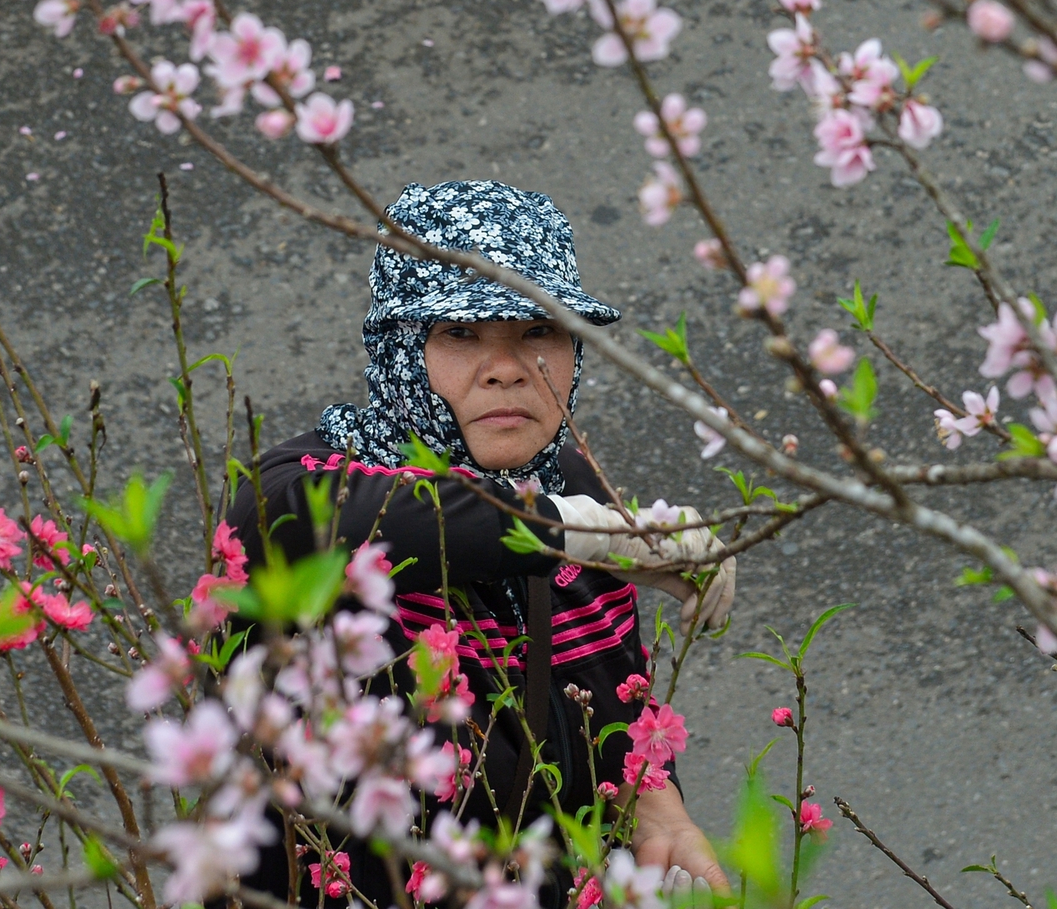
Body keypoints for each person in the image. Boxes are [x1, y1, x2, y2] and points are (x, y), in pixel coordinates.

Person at [225, 179, 733, 906]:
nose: (507, 366)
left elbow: (610, 717)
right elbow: (406, 520)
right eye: (460, 333)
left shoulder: (574, 492)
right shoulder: (296, 489)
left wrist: (658, 810)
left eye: (538, 331)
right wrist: (587, 533)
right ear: (399, 349)